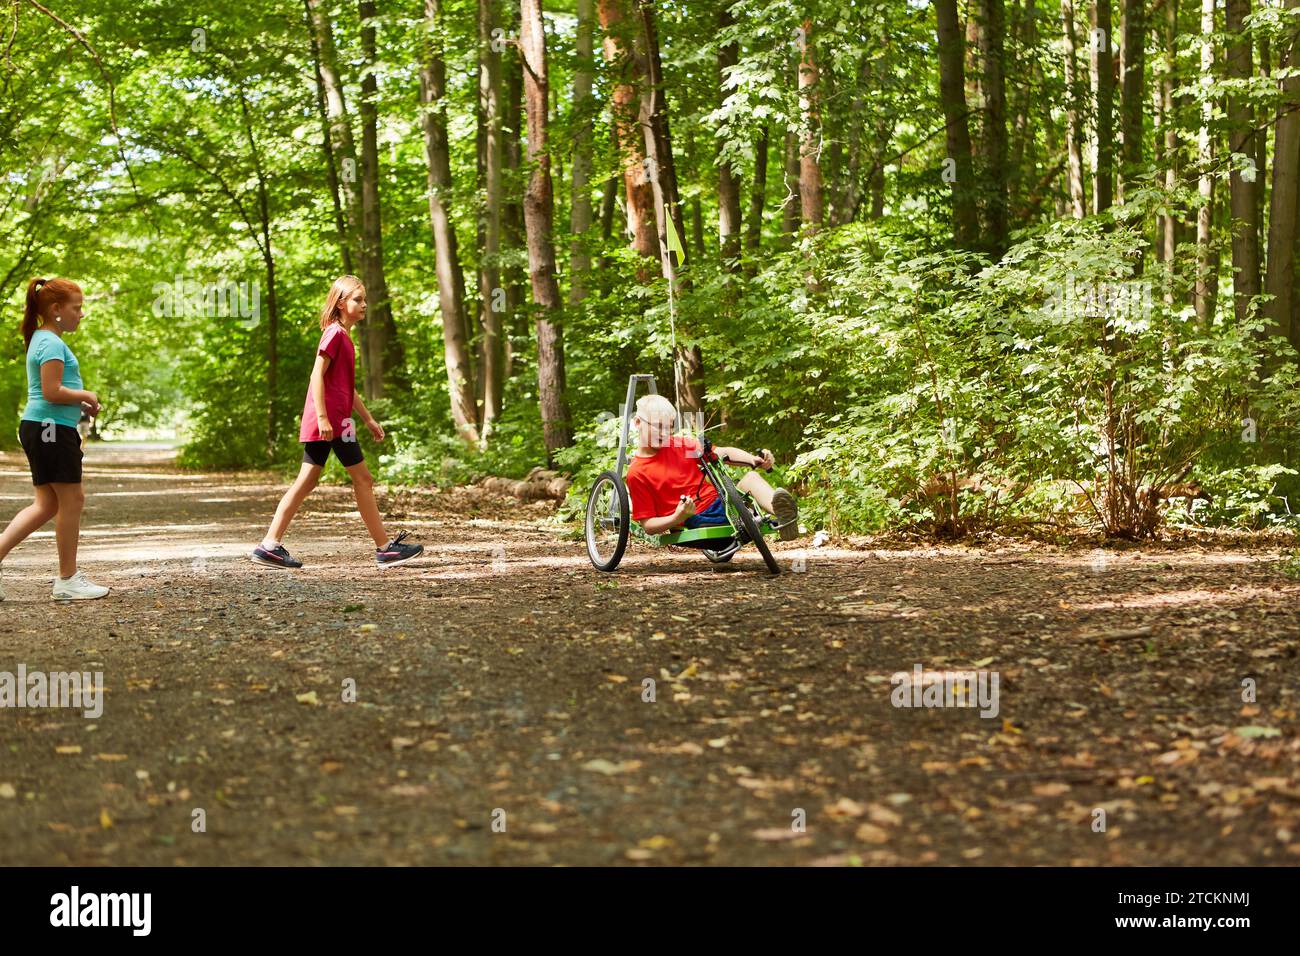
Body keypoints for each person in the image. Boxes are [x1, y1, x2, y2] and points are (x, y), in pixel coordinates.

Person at [250, 275, 423, 569]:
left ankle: (269, 545)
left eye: (365, 299)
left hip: (337, 421)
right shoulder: (335, 334)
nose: (364, 304)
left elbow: (347, 387)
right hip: (331, 423)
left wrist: (368, 419)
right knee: (363, 479)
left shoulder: (344, 336)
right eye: (358, 299)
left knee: (308, 480)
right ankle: (385, 549)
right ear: (341, 303)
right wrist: (322, 418)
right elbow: (316, 374)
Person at [0, 277, 110, 601]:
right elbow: (51, 391)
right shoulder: (49, 342)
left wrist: (80, 404)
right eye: (77, 308)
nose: (81, 314)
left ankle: (66, 578)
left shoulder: (44, 339)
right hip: (49, 428)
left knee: (47, 503)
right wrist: (86, 395)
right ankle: (67, 579)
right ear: (55, 309)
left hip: (45, 426)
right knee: (71, 499)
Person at [624, 393, 799, 541]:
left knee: (751, 479)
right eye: (658, 427)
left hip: (720, 502)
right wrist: (678, 516)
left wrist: (754, 460)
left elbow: (722, 452)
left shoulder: (681, 445)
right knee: (735, 514)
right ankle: (749, 518)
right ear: (638, 422)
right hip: (693, 517)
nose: (664, 434)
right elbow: (648, 525)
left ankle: (785, 518)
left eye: (668, 428)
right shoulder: (637, 472)